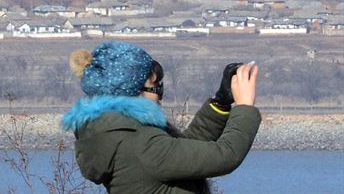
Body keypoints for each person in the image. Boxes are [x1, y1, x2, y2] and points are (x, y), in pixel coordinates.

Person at [62, 41, 261, 194]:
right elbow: (224, 156)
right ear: (133, 91)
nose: (160, 95)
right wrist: (244, 106)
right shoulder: (141, 144)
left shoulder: (116, 135)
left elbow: (184, 152)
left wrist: (220, 102)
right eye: (156, 87)